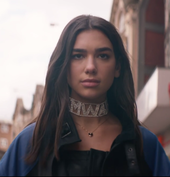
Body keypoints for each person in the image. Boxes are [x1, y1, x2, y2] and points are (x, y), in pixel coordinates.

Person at [0, 15, 170, 176]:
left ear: (117, 67)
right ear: (64, 67)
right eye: (78, 56)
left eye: (103, 56)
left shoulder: (145, 145)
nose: (90, 67)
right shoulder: (31, 142)